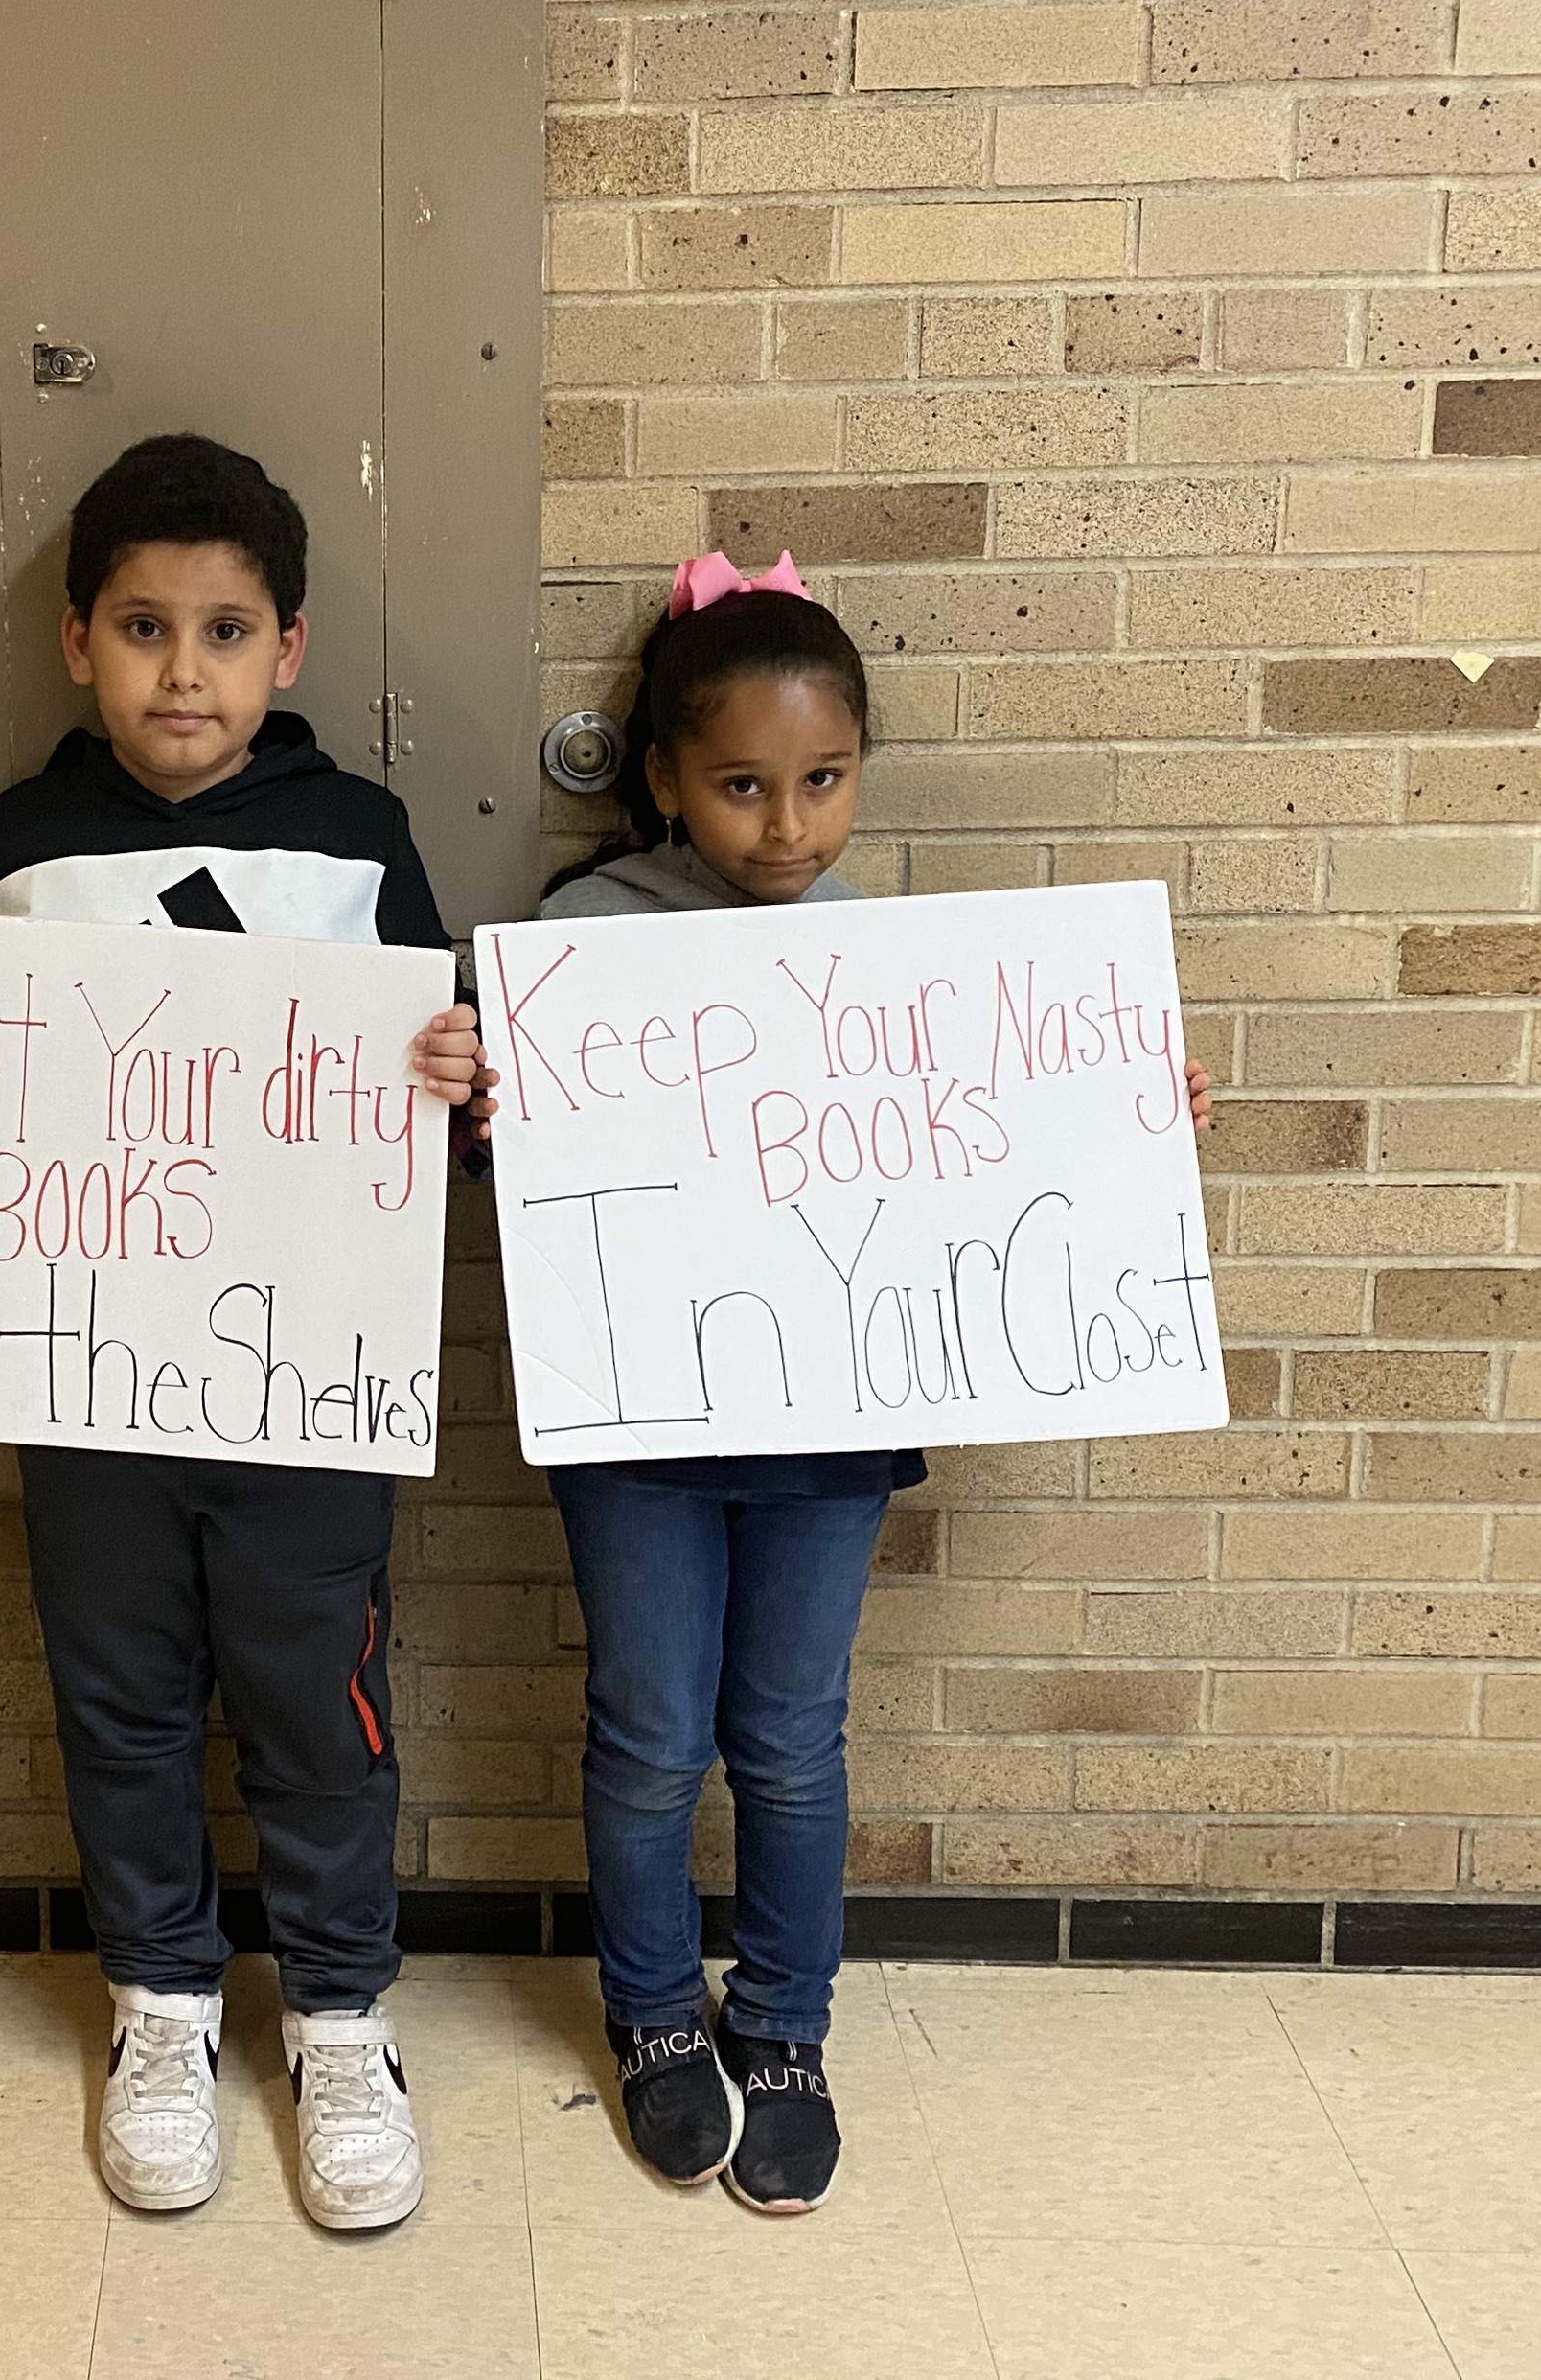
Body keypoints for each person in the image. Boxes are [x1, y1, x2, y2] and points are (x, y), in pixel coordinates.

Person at [532, 550, 1208, 2218]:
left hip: (829, 1427)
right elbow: (528, 1182)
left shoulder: (903, 970)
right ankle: (648, 2016)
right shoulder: (572, 944)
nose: (785, 826)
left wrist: (1126, 1108)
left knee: (788, 1740)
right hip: (640, 1431)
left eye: (822, 782)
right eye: (743, 786)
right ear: (669, 782)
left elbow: (991, 1157)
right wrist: (484, 1091)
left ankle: (783, 2028)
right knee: (643, 1741)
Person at [0, 433, 493, 2231]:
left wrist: (454, 1069)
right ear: (75, 643)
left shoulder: (358, 842)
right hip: (85, 1380)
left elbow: (439, 1062)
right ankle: (163, 2001)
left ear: (291, 649)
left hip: (307, 1392)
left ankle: (339, 2010)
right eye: (143, 628)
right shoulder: (18, 851)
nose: (184, 673)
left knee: (314, 1708)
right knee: (116, 1702)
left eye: (226, 631)